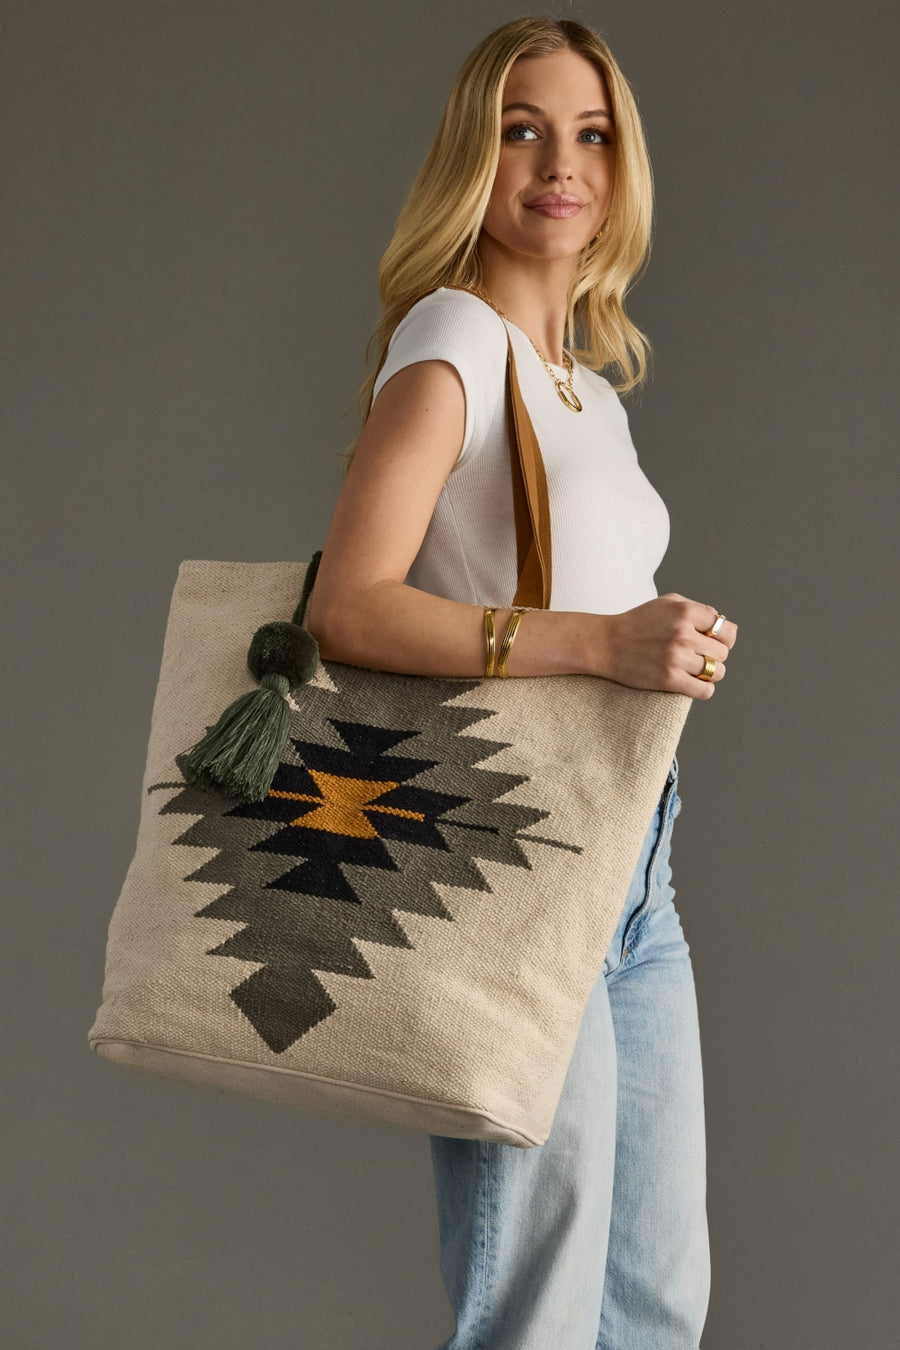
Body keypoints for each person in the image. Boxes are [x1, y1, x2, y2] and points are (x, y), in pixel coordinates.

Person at [306, 14, 738, 1349]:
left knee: (657, 1304)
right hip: (507, 855)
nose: (564, 162)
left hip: (634, 866)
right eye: (525, 130)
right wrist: (603, 646)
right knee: (537, 1310)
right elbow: (351, 603)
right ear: (472, 158)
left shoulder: (587, 388)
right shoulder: (452, 339)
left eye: (593, 134)